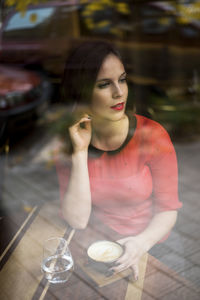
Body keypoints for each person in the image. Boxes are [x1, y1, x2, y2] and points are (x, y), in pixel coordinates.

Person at [56, 41, 182, 280]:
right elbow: (78, 220)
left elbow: (168, 209)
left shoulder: (152, 134)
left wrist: (141, 243)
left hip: (154, 242)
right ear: (82, 92)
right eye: (104, 84)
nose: (119, 92)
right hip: (99, 242)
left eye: (122, 80)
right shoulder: (70, 141)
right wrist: (80, 151)